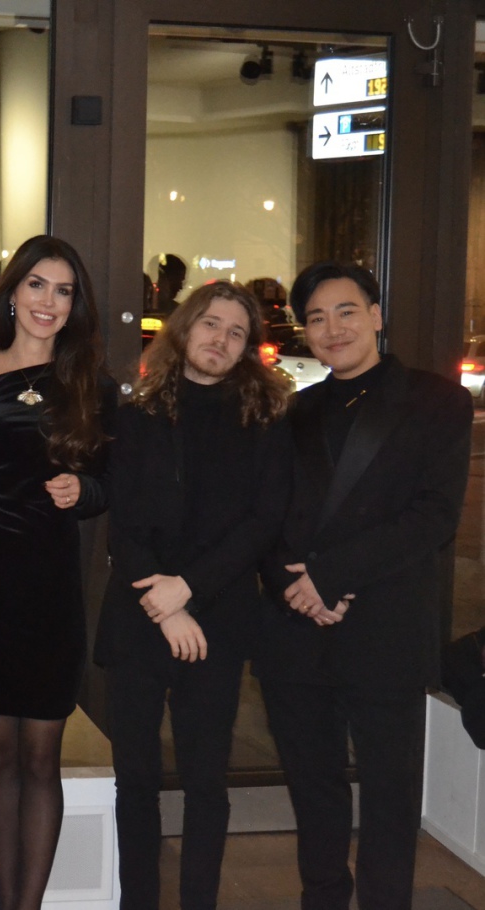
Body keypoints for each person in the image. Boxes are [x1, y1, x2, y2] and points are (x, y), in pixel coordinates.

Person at [255, 261, 473, 910]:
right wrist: (296, 587)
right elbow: (267, 518)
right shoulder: (295, 410)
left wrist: (331, 578)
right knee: (312, 790)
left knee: (389, 797)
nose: (333, 328)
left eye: (346, 311)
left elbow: (434, 517)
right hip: (297, 635)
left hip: (387, 631)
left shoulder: (437, 400)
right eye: (316, 318)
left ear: (376, 315)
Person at [95, 280, 292, 910]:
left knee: (207, 783)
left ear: (247, 347)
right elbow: (123, 526)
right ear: (184, 330)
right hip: (140, 618)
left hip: (218, 621)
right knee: (136, 781)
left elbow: (263, 523)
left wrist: (187, 590)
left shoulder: (264, 422)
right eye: (211, 324)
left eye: (237, 332)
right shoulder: (136, 417)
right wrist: (165, 605)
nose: (221, 339)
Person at [0, 234, 114, 910]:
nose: (49, 301)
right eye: (37, 284)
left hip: (50, 586)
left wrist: (84, 491)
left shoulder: (91, 384)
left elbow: (113, 483)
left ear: (75, 305)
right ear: (12, 291)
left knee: (42, 757)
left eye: (64, 290)